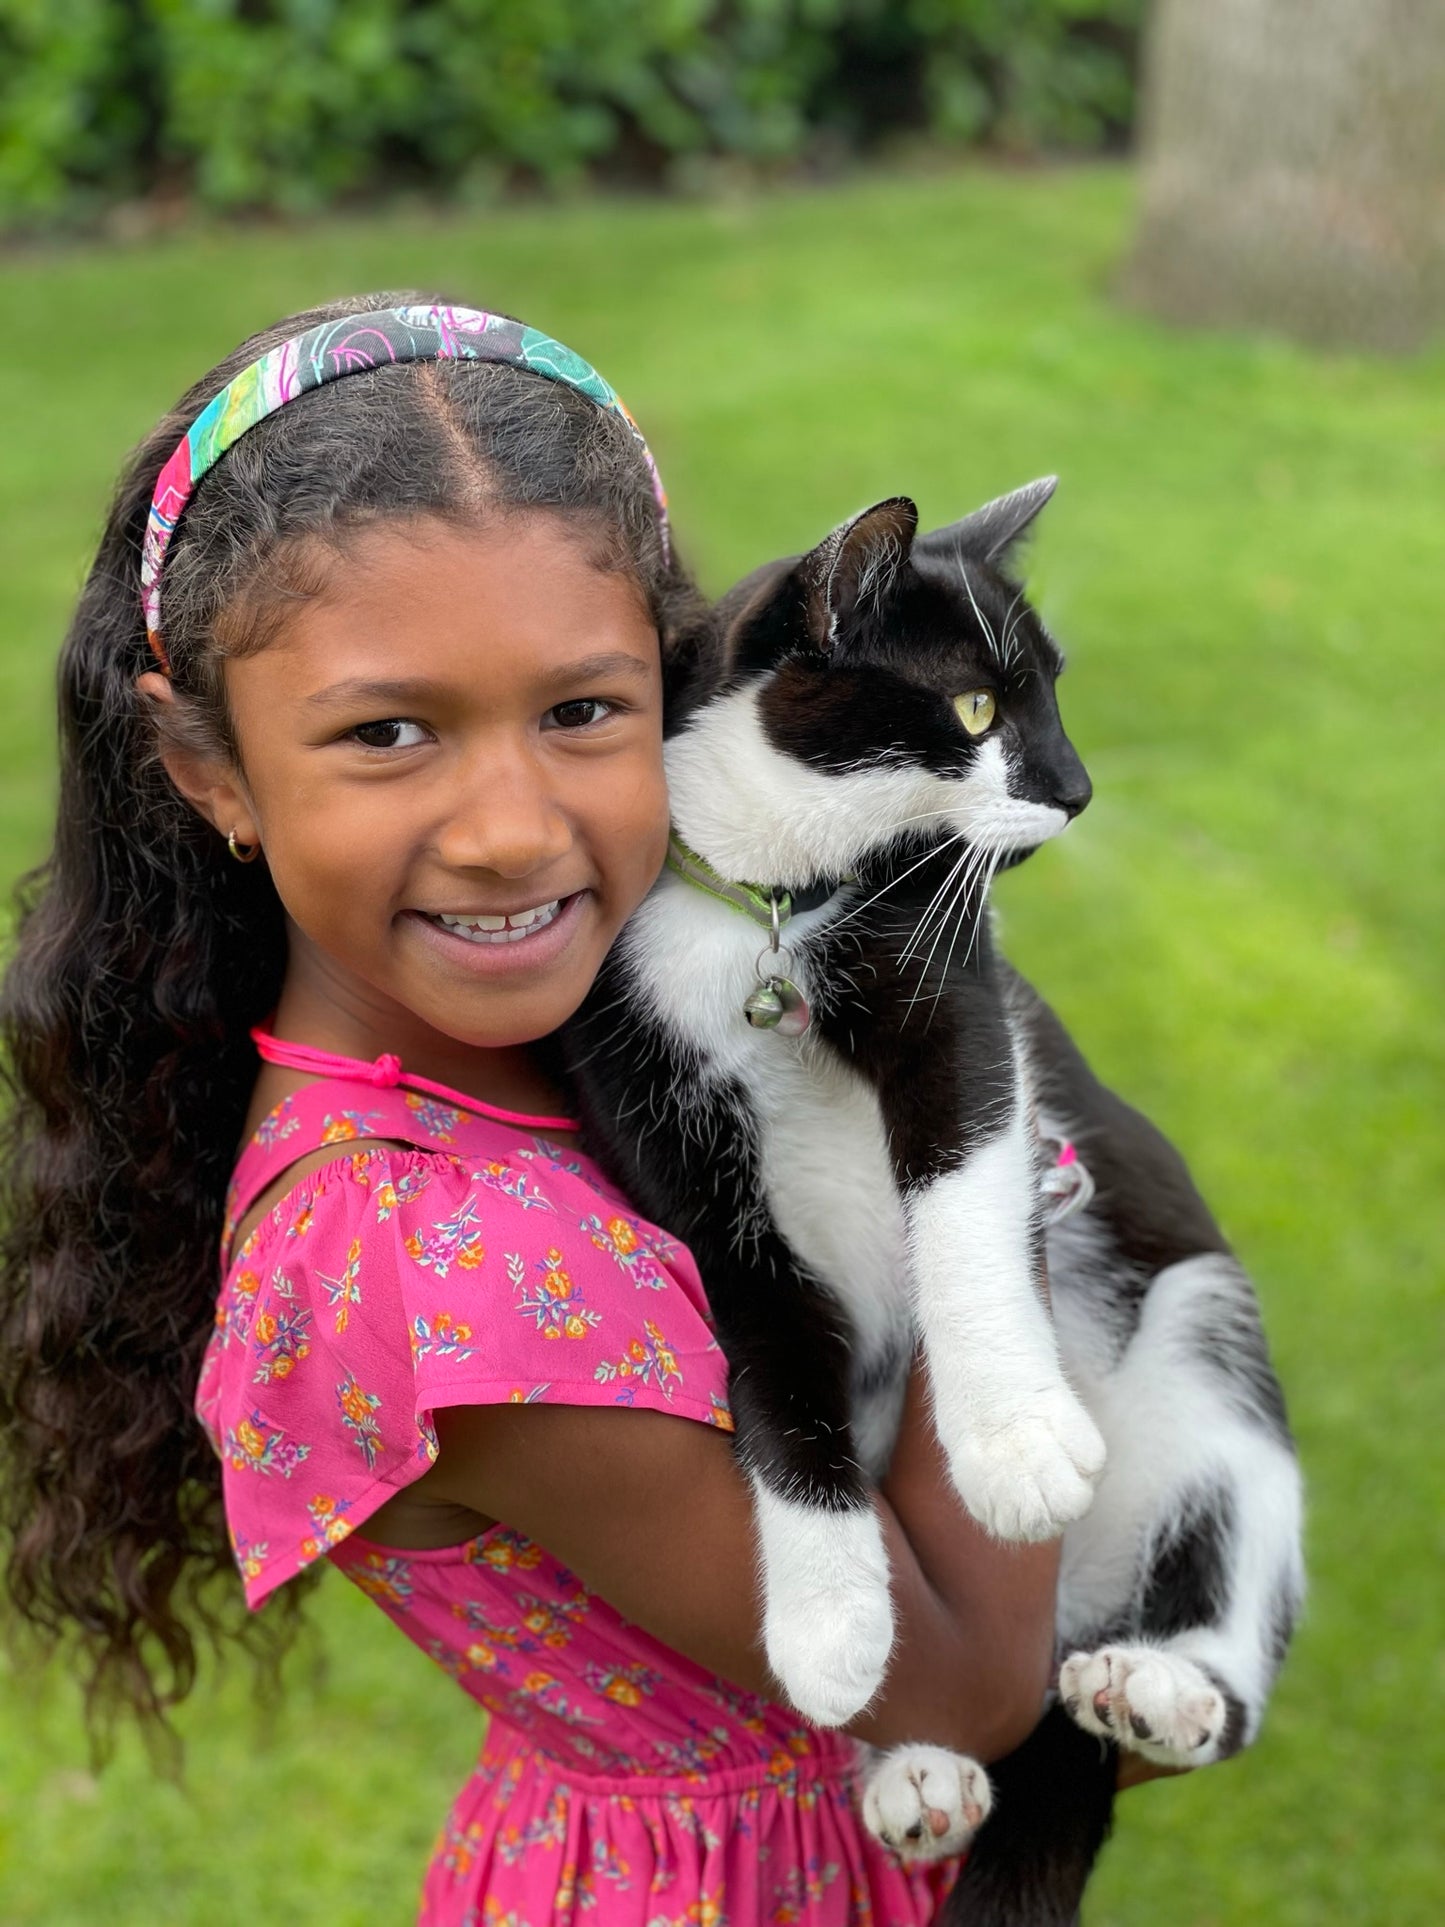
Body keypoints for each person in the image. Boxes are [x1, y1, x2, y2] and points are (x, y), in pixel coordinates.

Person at [0, 293, 1074, 1925]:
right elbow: (971, 1689)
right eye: (387, 732)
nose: (510, 832)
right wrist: (991, 1177)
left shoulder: (576, 1034)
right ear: (209, 772)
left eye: (583, 711)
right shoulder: (446, 1268)